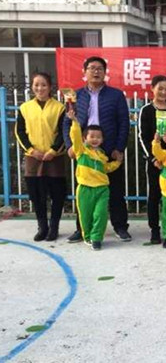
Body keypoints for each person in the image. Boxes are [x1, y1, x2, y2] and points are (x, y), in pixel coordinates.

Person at [63, 56, 131, 243]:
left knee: (116, 191)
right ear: (84, 72)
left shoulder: (116, 95)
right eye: (92, 68)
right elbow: (66, 122)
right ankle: (82, 229)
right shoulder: (75, 96)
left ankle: (120, 226)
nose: (96, 71)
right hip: (84, 151)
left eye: (100, 68)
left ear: (105, 72)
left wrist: (119, 147)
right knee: (84, 192)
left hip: (108, 149)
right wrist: (69, 146)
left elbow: (124, 123)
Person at [15, 72, 66, 241]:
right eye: (36, 85)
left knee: (57, 194)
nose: (40, 88)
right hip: (34, 158)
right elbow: (20, 132)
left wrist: (53, 150)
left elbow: (63, 132)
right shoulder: (25, 108)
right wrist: (31, 150)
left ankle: (54, 226)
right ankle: (42, 226)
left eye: (44, 85)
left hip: (54, 157)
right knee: (37, 195)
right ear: (32, 87)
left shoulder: (59, 107)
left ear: (50, 87)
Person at [66, 109, 122, 250]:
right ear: (85, 138)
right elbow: (75, 137)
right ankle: (87, 237)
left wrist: (118, 162)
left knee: (100, 214)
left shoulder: (103, 155)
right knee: (85, 216)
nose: (95, 139)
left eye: (98, 137)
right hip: (85, 188)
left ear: (102, 139)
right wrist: (75, 122)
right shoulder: (81, 151)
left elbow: (107, 168)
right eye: (91, 136)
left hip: (102, 189)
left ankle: (96, 238)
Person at [138, 75, 166, 244]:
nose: (163, 92)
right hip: (155, 162)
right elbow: (142, 137)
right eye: (160, 88)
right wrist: (152, 159)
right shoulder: (146, 110)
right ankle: (155, 230)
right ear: (152, 89)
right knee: (155, 195)